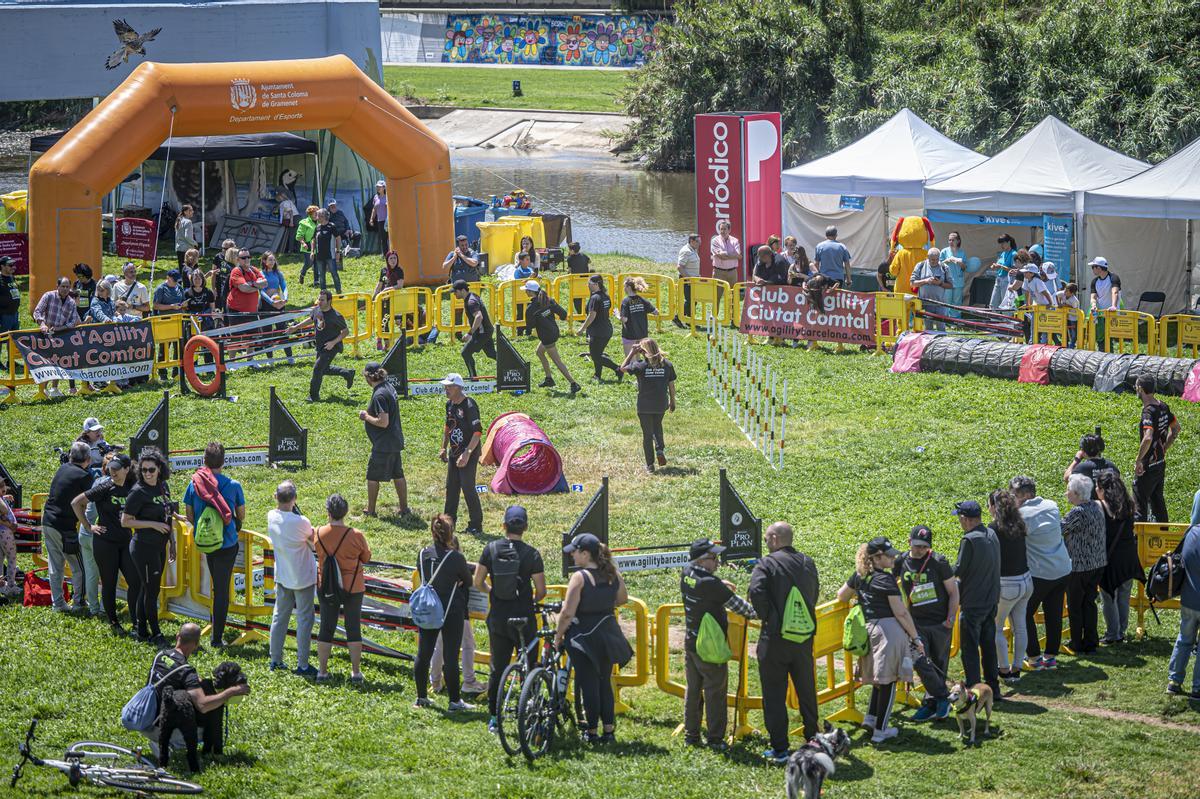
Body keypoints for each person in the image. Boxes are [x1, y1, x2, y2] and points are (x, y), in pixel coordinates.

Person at [836, 536, 923, 746]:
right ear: (877, 558)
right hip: (888, 631)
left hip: (870, 630)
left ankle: (871, 719)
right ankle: (880, 731)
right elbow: (901, 612)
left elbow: (842, 596)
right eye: (889, 555)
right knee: (889, 680)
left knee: (878, 679)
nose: (893, 558)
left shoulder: (860, 576)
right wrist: (915, 637)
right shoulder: (885, 580)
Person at [474, 505, 546, 733]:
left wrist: (491, 591)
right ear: (525, 527)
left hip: (498, 618)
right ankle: (530, 708)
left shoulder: (491, 549)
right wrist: (531, 600)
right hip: (524, 618)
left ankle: (495, 718)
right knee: (530, 665)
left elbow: (477, 582)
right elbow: (541, 590)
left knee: (497, 668)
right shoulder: (532, 554)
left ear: (503, 526)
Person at [750, 522, 819, 760]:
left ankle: (780, 748)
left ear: (776, 539)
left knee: (774, 693)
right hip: (803, 637)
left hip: (775, 638)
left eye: (767, 538)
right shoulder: (807, 562)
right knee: (807, 689)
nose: (766, 543)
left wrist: (769, 616)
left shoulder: (766, 563)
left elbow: (756, 592)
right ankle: (813, 738)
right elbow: (814, 593)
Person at [680, 537, 756, 749]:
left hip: (691, 641)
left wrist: (719, 584)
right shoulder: (711, 585)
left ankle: (691, 736)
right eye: (713, 558)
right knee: (715, 692)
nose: (718, 562)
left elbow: (702, 584)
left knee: (693, 690)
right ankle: (715, 739)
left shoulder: (686, 572)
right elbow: (747, 611)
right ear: (702, 560)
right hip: (710, 647)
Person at [557, 532, 632, 744]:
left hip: (583, 637)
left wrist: (558, 636)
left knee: (589, 685)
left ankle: (591, 732)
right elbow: (623, 599)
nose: (572, 555)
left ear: (585, 553)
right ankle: (609, 731)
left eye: (574, 552)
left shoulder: (579, 577)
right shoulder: (612, 574)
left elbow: (567, 613)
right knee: (604, 683)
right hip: (607, 634)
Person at [149, 623, 250, 772]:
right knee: (212, 712)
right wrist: (232, 691)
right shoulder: (187, 671)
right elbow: (203, 705)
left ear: (178, 636)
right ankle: (173, 744)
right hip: (161, 727)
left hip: (146, 719)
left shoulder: (161, 655)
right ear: (196, 645)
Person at [183, 443, 246, 649]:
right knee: (221, 591)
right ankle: (217, 638)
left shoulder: (194, 484)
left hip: (206, 544)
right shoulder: (234, 485)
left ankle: (213, 625)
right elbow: (241, 514)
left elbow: (190, 514)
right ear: (224, 461)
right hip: (227, 544)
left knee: (215, 585)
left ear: (204, 460)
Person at [72, 453, 141, 635]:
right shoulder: (105, 487)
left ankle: (136, 622)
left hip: (125, 541)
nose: (113, 471)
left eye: (117, 468)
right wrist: (88, 526)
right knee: (109, 583)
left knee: (135, 581)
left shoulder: (132, 488)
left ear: (127, 469)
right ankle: (114, 623)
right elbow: (76, 503)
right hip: (105, 543)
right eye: (111, 468)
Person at [892, 525, 956, 720]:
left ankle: (932, 704)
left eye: (924, 546)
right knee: (920, 661)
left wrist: (950, 618)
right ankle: (943, 697)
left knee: (938, 664)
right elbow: (890, 583)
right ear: (909, 542)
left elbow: (953, 592)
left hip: (940, 623)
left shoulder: (939, 562)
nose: (919, 550)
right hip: (916, 623)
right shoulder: (901, 560)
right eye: (916, 545)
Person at [413, 514, 474, 711]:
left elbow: (423, 576)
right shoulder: (456, 557)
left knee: (423, 654)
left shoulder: (423, 553)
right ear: (450, 534)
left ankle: (421, 697)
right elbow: (469, 581)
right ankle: (454, 701)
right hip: (451, 610)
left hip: (429, 608)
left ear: (432, 532)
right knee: (450, 655)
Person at [1011, 475, 1072, 671]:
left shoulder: (1021, 515)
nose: (1013, 499)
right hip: (1062, 568)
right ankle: (1051, 657)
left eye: (1015, 495)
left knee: (1023, 613)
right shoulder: (1052, 505)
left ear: (1027, 494)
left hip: (1040, 573)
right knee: (1053, 613)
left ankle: (1035, 657)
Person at [122, 446, 176, 648]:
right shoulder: (138, 492)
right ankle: (156, 633)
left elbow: (167, 515)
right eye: (143, 470)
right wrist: (153, 524)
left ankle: (141, 629)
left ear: (159, 469)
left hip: (160, 546)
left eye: (151, 470)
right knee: (151, 591)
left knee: (148, 590)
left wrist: (172, 542)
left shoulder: (163, 486)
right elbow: (125, 521)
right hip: (143, 547)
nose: (147, 474)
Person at [315, 493, 371, 683]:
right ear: (345, 512)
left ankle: (322, 671)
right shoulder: (356, 535)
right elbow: (366, 558)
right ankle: (355, 672)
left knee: (326, 627)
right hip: (353, 587)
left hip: (326, 586)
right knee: (353, 627)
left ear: (328, 512)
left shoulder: (318, 533)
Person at [266, 480, 317, 676]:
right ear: (294, 499)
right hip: (303, 576)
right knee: (305, 620)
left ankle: (275, 659)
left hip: (283, 575)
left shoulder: (271, 516)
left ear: (275, 497)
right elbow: (314, 545)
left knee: (279, 617)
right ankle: (303, 664)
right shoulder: (302, 522)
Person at [952, 500, 1001, 697]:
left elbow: (958, 570)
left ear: (965, 519)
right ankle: (993, 688)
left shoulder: (969, 540)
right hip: (991, 600)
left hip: (973, 603)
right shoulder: (992, 533)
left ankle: (973, 690)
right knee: (988, 646)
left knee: (970, 649)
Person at [41, 441, 93, 614]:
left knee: (55, 566)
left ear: (71, 456)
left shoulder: (62, 469)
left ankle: (58, 604)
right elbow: (88, 501)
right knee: (80, 566)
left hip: (47, 520)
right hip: (64, 526)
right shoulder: (85, 476)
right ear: (88, 459)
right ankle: (78, 602)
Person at [988, 490, 1032, 684]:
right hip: (1026, 581)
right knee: (1020, 626)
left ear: (994, 507)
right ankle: (1016, 668)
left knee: (997, 627)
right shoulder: (1020, 524)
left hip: (1007, 584)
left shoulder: (993, 528)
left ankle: (1004, 669)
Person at [1061, 474, 1107, 655]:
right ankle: (1091, 641)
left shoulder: (1077, 512)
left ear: (1076, 493)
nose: (1066, 494)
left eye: (1069, 491)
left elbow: (1060, 528)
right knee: (1089, 603)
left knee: (1075, 605)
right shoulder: (1096, 507)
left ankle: (1076, 642)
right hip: (1097, 563)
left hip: (1079, 566)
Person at [1096, 470, 1143, 645]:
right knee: (1124, 594)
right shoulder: (1129, 503)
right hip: (1129, 555)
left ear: (1102, 489)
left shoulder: (1101, 507)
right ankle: (1121, 630)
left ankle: (1112, 634)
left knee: (1108, 596)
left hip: (1111, 558)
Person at [360, 363, 410, 517]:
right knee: (397, 474)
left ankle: (371, 510)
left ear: (369, 377)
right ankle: (404, 509)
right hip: (394, 440)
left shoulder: (380, 395)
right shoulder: (389, 387)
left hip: (384, 444)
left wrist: (366, 417)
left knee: (372, 476)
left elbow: (383, 422)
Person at [619, 338, 676, 473]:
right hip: (660, 403)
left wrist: (632, 353)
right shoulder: (667, 365)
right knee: (657, 427)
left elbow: (622, 368)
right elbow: (671, 385)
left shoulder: (640, 366)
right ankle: (660, 449)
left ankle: (650, 465)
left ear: (643, 351)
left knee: (647, 434)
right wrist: (673, 401)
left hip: (644, 405)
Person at [287, 290, 355, 403]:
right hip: (320, 345)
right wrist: (296, 328)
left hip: (331, 347)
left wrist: (333, 342)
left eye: (322, 300)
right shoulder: (316, 310)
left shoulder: (336, 316)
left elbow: (345, 331)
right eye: (319, 299)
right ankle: (347, 373)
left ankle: (313, 397)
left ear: (329, 301)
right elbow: (311, 319)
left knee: (317, 369)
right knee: (324, 369)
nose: (319, 302)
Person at [440, 373, 484, 535]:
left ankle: (476, 525)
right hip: (454, 451)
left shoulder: (469, 405)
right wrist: (443, 447)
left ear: (458, 387)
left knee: (468, 487)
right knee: (451, 487)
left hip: (469, 452)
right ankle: (448, 523)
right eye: (445, 386)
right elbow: (448, 426)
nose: (446, 389)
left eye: (449, 387)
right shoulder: (449, 405)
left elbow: (478, 432)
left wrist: (467, 453)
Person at [1134, 374, 1179, 522]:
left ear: (1140, 388)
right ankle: (1163, 536)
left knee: (1139, 502)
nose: (1135, 388)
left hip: (1148, 465)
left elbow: (1148, 437)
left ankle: (1138, 541)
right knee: (1158, 501)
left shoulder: (1148, 411)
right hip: (1160, 462)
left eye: (1136, 386)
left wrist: (1139, 460)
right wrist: (1164, 447)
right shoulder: (1163, 406)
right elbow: (1176, 428)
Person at [523, 280, 581, 394]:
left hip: (546, 336)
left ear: (530, 292)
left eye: (526, 290)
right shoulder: (549, 300)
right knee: (539, 352)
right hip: (554, 332)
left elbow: (530, 326)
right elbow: (563, 314)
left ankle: (574, 383)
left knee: (557, 361)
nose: (525, 292)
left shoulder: (531, 308)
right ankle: (549, 379)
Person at [1167, 523, 1200, 698]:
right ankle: (1197, 687)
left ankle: (1173, 681)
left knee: (1184, 640)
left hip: (1188, 600)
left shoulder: (1192, 532)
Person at [33, 276, 79, 395]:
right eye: (62, 286)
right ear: (57, 286)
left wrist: (60, 328)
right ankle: (43, 389)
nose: (65, 289)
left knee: (58, 361)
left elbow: (73, 321)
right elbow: (37, 311)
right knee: (46, 362)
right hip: (45, 334)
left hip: (62, 335)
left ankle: (54, 388)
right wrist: (42, 324)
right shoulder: (49, 296)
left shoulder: (71, 302)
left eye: (67, 287)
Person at [576, 273, 622, 382]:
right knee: (597, 354)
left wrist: (582, 329)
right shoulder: (605, 296)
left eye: (590, 283)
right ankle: (597, 375)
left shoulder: (595, 298)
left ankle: (618, 369)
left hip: (598, 331)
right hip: (606, 329)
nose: (588, 285)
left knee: (595, 356)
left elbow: (592, 315)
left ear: (596, 284)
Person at [454, 280, 495, 379]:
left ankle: (473, 378)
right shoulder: (472, 296)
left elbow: (479, 317)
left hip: (482, 333)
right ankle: (510, 366)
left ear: (463, 290)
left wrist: (470, 333)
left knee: (465, 353)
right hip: (486, 331)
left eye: (455, 291)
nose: (454, 294)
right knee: (491, 354)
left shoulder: (471, 301)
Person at [911, 247, 951, 331]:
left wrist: (940, 283)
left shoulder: (944, 267)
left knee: (941, 329)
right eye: (932, 259)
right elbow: (912, 283)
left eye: (936, 259)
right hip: (926, 304)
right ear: (927, 257)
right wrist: (926, 281)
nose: (934, 262)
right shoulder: (920, 266)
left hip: (940, 304)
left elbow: (950, 285)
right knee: (928, 330)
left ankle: (942, 344)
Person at [225, 248, 266, 324]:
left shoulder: (254, 269)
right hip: (237, 311)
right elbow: (244, 288)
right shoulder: (236, 271)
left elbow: (265, 283)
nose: (247, 259)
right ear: (238, 260)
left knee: (253, 335)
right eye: (243, 258)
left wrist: (251, 284)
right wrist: (257, 285)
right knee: (238, 335)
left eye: (248, 257)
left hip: (252, 312)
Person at [619, 276, 656, 357]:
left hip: (630, 334)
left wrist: (618, 315)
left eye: (624, 286)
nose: (624, 288)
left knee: (630, 360)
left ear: (628, 287)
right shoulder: (642, 300)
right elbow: (655, 312)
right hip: (642, 333)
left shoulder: (626, 301)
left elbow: (624, 319)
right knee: (639, 359)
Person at [311, 209, 343, 294]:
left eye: (319, 216)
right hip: (319, 256)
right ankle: (323, 294)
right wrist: (312, 251)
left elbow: (338, 238)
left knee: (334, 274)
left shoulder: (332, 226)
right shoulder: (317, 227)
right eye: (317, 216)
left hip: (330, 255)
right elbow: (313, 240)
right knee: (322, 276)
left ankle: (339, 292)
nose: (317, 217)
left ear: (324, 216)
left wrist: (338, 251)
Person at [674, 233, 701, 327]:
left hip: (693, 280)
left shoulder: (692, 249)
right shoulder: (686, 251)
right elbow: (680, 267)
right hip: (687, 281)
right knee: (690, 300)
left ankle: (689, 321)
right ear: (691, 241)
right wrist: (688, 279)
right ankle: (677, 317)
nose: (699, 243)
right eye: (697, 241)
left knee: (694, 300)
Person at [939, 231, 966, 317]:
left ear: (958, 241)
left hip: (958, 281)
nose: (950, 242)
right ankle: (945, 319)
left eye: (953, 240)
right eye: (949, 240)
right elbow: (938, 265)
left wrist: (960, 263)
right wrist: (947, 260)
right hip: (947, 281)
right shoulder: (944, 251)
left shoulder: (962, 253)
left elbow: (965, 268)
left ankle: (956, 320)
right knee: (947, 302)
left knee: (957, 302)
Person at [988, 235, 1017, 310]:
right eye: (1000, 244)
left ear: (1009, 242)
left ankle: (1006, 321)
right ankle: (993, 321)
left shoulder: (1014, 254)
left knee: (1005, 305)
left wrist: (1001, 266)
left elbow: (1014, 271)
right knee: (993, 304)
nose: (1001, 245)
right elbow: (998, 264)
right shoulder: (1003, 253)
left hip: (1007, 281)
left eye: (1003, 243)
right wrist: (994, 266)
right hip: (998, 279)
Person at [710, 220, 741, 289]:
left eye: (724, 229)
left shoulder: (735, 240)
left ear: (729, 230)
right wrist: (733, 255)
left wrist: (725, 254)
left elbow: (738, 255)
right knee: (716, 295)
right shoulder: (715, 241)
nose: (722, 231)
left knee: (733, 295)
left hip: (732, 272)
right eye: (721, 229)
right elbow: (721, 257)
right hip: (719, 272)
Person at [296, 205, 319, 285]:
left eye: (317, 212)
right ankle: (302, 274)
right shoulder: (304, 223)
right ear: (310, 214)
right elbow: (299, 236)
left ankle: (316, 280)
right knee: (309, 263)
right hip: (308, 246)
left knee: (317, 263)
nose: (317, 214)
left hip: (318, 246)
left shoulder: (320, 221)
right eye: (315, 213)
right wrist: (303, 243)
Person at [1057, 282, 1082, 347]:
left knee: (1073, 333)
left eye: (1067, 291)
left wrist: (1065, 305)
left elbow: (1074, 308)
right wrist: (1059, 303)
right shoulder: (1063, 293)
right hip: (1065, 316)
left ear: (1072, 293)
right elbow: (1056, 295)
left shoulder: (1074, 300)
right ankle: (1065, 344)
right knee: (1064, 330)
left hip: (1073, 318)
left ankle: (1072, 344)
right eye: (1065, 289)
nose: (1065, 291)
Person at [367, 180, 389, 254]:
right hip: (380, 221)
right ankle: (385, 254)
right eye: (377, 187)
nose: (378, 188)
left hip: (388, 220)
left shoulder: (388, 196)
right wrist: (371, 219)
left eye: (379, 187)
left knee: (390, 238)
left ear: (384, 188)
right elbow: (374, 209)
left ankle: (392, 254)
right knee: (383, 239)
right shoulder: (376, 197)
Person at [175, 205, 198, 269]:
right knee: (192, 269)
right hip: (187, 249)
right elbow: (187, 237)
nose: (192, 212)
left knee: (182, 269)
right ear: (185, 212)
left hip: (179, 248)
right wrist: (195, 243)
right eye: (190, 210)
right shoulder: (188, 222)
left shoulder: (179, 220)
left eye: (192, 210)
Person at [0, 256, 19, 333]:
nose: (13, 267)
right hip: (4, 316)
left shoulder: (11, 277)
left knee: (15, 340)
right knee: (2, 341)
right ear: (2, 266)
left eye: (13, 264)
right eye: (10, 265)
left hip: (15, 314)